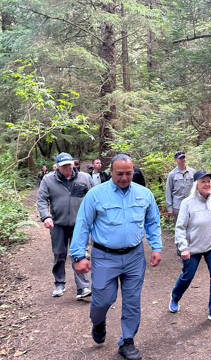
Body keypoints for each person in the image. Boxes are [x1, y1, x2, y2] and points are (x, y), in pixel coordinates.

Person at [70, 153, 162, 360]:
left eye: (128, 173)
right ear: (110, 172)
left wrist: (156, 247)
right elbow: (83, 224)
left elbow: (152, 221)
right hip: (104, 257)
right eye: (119, 173)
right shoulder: (96, 195)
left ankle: (127, 341)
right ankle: (98, 321)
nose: (124, 177)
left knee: (132, 300)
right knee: (102, 300)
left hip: (134, 256)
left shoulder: (144, 194)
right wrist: (78, 256)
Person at [168, 169, 211, 324]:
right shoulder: (187, 203)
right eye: (203, 181)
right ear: (196, 185)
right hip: (192, 247)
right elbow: (180, 227)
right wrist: (183, 247)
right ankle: (175, 297)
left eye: (208, 181)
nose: (207, 184)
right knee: (187, 276)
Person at [36, 152, 92, 299]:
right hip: (58, 225)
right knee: (59, 254)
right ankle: (59, 283)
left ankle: (83, 287)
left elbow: (94, 198)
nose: (67, 168)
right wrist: (46, 217)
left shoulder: (85, 178)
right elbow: (41, 200)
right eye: (63, 166)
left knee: (79, 254)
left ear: (73, 164)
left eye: (69, 164)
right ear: (58, 167)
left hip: (79, 225)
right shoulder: (48, 180)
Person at [165, 150, 196, 221]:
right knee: (179, 227)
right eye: (180, 158)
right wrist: (169, 208)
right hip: (178, 206)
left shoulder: (192, 172)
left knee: (192, 226)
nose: (183, 160)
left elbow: (197, 187)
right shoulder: (172, 174)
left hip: (191, 204)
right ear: (176, 160)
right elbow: (168, 191)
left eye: (183, 157)